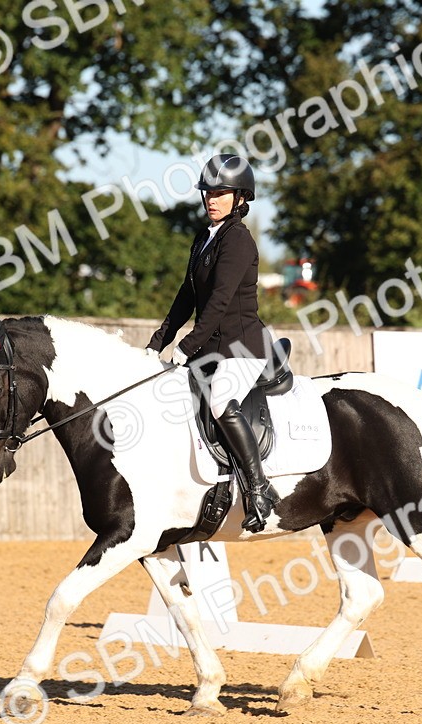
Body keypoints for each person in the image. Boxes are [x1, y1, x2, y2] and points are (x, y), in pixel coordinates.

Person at [145, 154, 279, 532]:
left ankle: (258, 488)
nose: (211, 199)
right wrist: (157, 342)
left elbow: (219, 301)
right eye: (208, 192)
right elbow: (186, 296)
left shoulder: (238, 240)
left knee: (220, 398)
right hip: (211, 347)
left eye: (221, 193)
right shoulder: (203, 238)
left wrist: (187, 345)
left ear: (240, 198)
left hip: (243, 346)